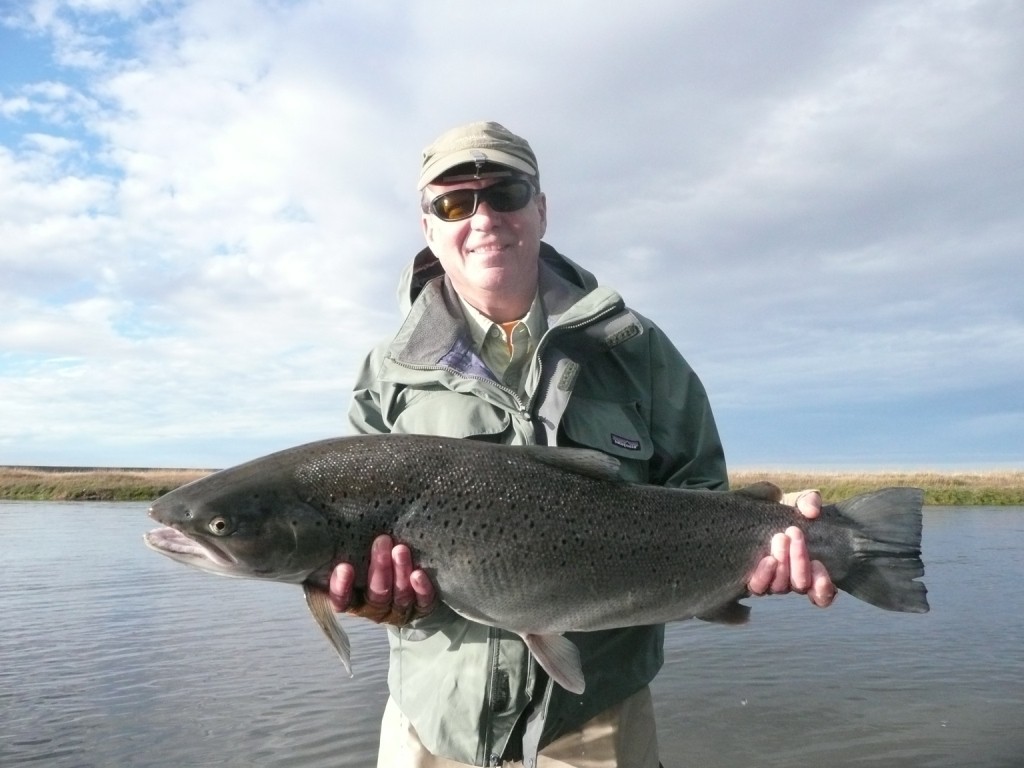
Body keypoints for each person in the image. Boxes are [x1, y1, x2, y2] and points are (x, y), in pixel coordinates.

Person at [328, 121, 836, 767]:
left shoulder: (636, 350)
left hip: (601, 721)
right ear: (428, 227)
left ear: (540, 209)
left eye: (506, 193)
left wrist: (769, 539)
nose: (483, 218)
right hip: (432, 723)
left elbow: (702, 497)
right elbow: (356, 545)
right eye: (454, 203)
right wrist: (378, 602)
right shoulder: (385, 375)